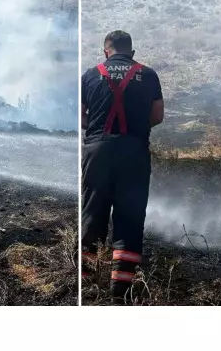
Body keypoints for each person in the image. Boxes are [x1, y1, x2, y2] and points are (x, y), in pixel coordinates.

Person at [80, 30, 164, 303]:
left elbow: (81, 117)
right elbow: (158, 116)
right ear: (132, 53)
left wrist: (98, 130)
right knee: (130, 217)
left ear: (106, 51)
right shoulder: (148, 75)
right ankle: (120, 291)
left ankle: (87, 280)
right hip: (134, 153)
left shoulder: (90, 75)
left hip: (97, 151)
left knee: (93, 212)